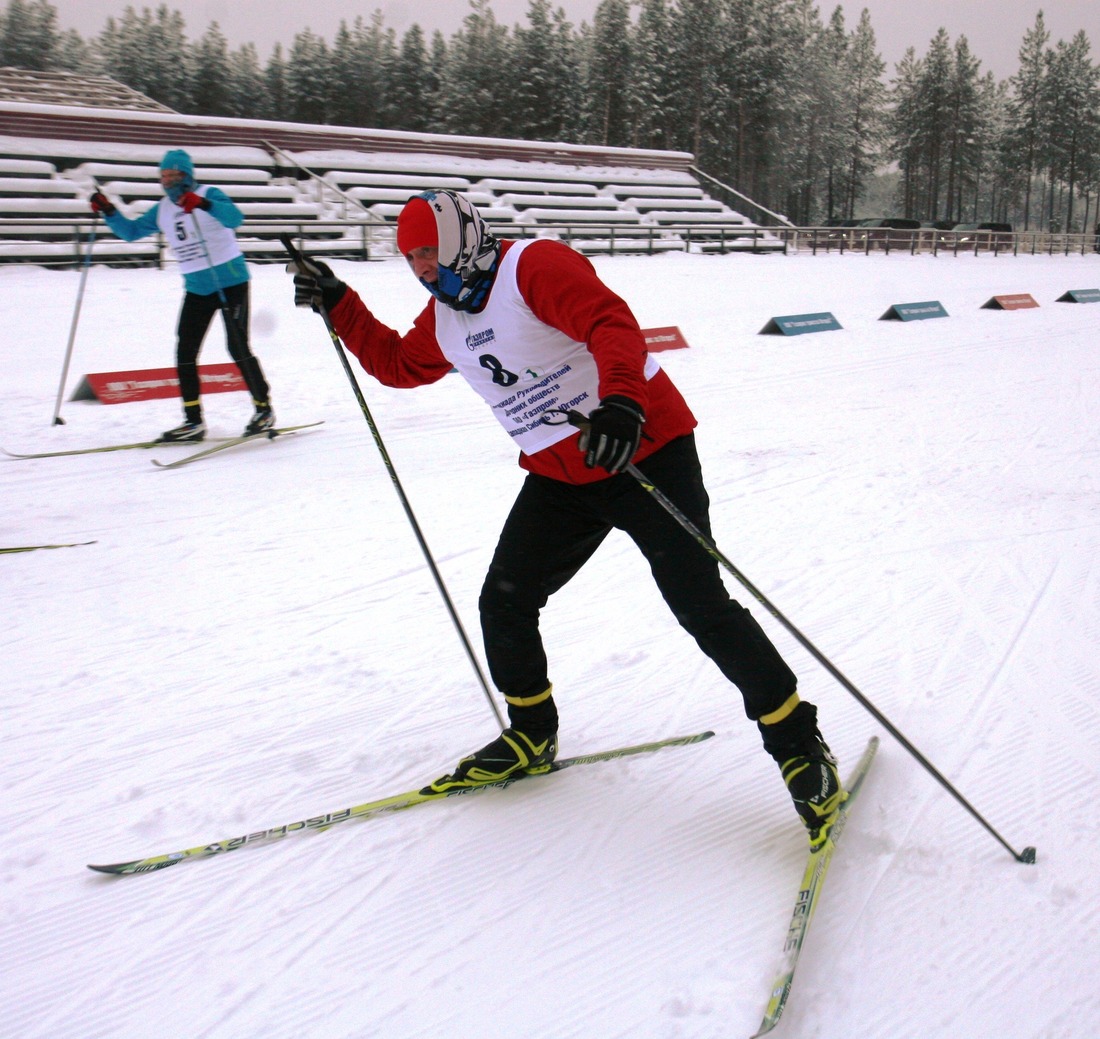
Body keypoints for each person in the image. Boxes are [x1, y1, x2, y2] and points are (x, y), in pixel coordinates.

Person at [288, 189, 843, 846]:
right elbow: (398, 366)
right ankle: (531, 733)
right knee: (505, 600)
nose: (424, 269)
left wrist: (621, 404)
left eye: (430, 252)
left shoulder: (533, 268)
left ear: (463, 237)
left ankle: (801, 748)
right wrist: (340, 305)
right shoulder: (443, 318)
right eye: (411, 258)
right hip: (562, 474)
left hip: (643, 449)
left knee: (701, 605)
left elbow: (609, 323)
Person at [89, 149, 274, 442]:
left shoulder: (208, 193)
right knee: (185, 351)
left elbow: (234, 218)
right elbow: (132, 232)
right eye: (164, 177)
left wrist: (204, 204)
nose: (168, 182)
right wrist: (109, 211)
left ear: (187, 177)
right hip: (198, 287)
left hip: (230, 281)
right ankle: (192, 420)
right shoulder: (163, 208)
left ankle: (263, 410)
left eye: (174, 176)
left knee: (237, 346)